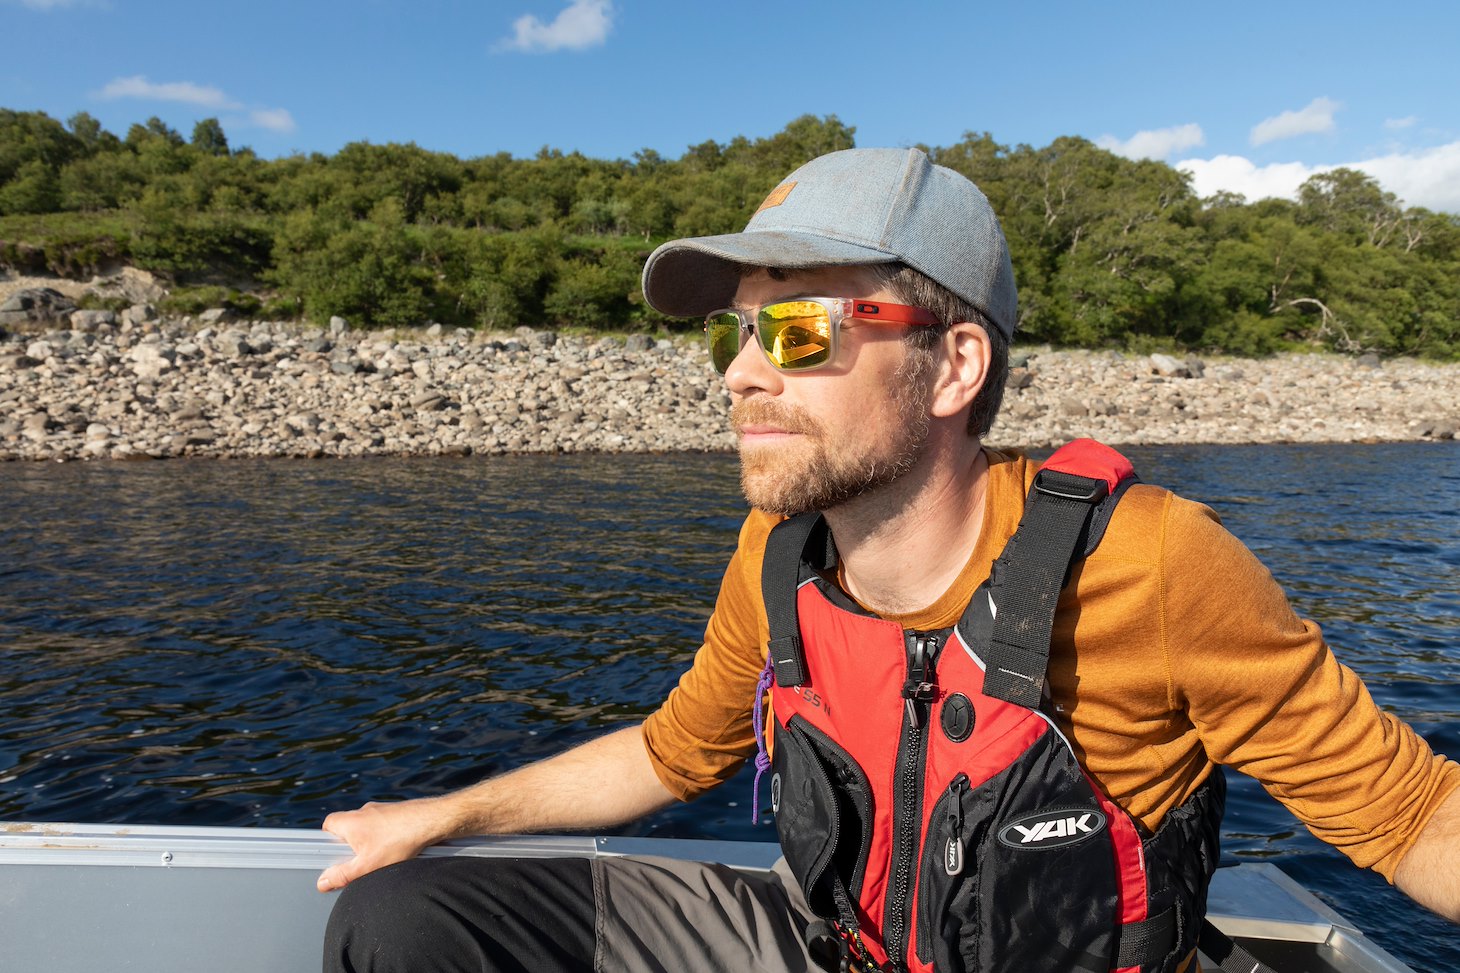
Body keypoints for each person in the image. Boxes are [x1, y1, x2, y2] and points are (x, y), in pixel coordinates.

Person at [318, 148, 1460, 973]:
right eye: (736, 333)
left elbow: (1410, 821)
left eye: (800, 331)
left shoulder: (1150, 561)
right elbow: (677, 752)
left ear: (953, 365)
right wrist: (441, 814)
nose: (740, 375)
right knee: (405, 917)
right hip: (830, 949)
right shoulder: (779, 552)